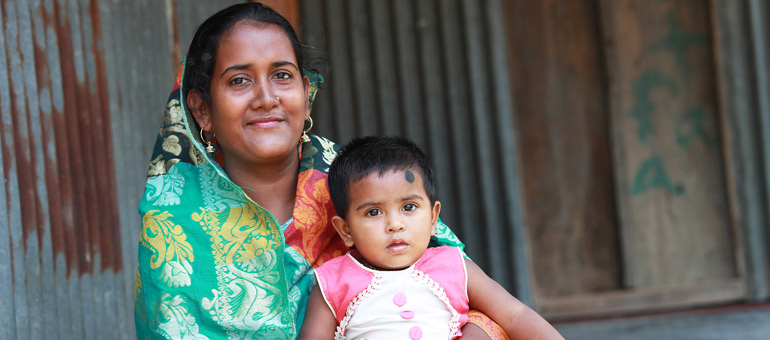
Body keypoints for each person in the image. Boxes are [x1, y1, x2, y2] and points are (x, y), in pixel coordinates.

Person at [135, 3, 505, 339]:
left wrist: (476, 331)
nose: (267, 97)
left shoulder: (362, 188)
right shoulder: (173, 224)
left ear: (306, 91)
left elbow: (480, 302)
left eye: (282, 75)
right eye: (239, 80)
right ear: (202, 109)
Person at [298, 136, 564, 340]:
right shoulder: (332, 282)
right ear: (345, 230)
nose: (395, 225)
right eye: (374, 212)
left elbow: (515, 315)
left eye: (409, 207)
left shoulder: (455, 266)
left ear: (433, 218)